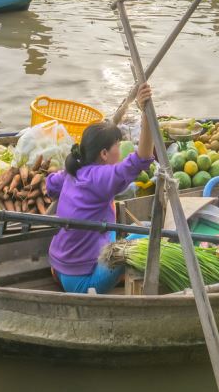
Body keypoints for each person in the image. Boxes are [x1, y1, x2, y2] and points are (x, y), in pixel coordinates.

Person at [46, 96, 155, 294]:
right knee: (149, 232)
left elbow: (50, 185)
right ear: (104, 154)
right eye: (118, 145)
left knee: (113, 230)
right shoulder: (99, 177)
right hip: (82, 283)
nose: (121, 149)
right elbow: (142, 159)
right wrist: (147, 115)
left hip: (57, 268)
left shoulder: (72, 170)